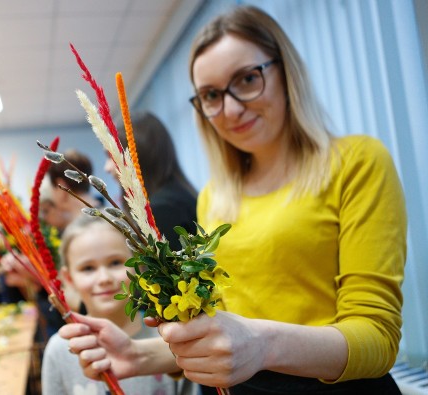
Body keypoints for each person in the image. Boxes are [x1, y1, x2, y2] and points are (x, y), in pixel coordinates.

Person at [59, 5, 406, 395]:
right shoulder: (215, 196)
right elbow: (225, 334)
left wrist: (261, 345)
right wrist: (140, 356)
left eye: (246, 79)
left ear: (285, 71)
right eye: (211, 95)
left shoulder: (356, 163)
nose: (231, 109)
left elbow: (377, 338)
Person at [42, 215, 196, 395]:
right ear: (69, 278)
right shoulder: (59, 350)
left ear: (137, 266)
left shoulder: (171, 336)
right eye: (88, 268)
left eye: (115, 262)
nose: (104, 278)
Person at [107, 112, 198, 251]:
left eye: (112, 157)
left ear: (136, 157)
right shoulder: (178, 194)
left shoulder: (161, 209)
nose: (107, 168)